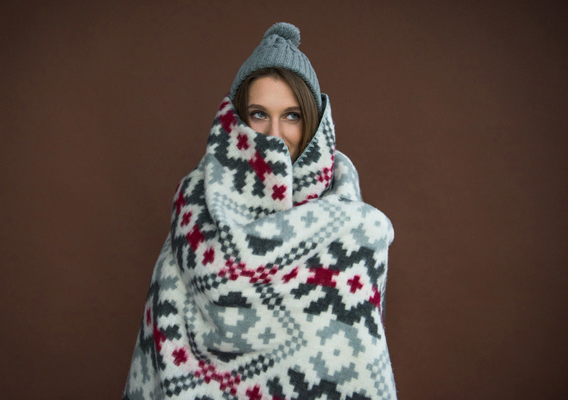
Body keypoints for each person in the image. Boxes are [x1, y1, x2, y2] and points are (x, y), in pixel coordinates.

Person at [123, 22, 397, 400]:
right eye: (258, 114)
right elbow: (161, 345)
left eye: (291, 115)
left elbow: (359, 363)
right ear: (235, 120)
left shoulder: (357, 233)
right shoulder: (193, 214)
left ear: (314, 122)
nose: (274, 133)